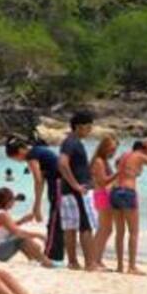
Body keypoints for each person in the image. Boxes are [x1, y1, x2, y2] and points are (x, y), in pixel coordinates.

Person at [110, 139, 147, 275]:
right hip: (128, 192)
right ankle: (132, 267)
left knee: (120, 232)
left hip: (115, 191)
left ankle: (119, 266)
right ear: (145, 148)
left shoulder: (124, 155)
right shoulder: (140, 156)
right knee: (133, 232)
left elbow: (117, 163)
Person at [5, 135, 62, 261]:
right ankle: (58, 253)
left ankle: (50, 255)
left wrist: (36, 206)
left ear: (20, 152)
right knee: (58, 220)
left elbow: (38, 180)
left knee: (54, 221)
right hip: (61, 184)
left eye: (15, 159)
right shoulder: (38, 150)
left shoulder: (31, 156)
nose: (18, 162)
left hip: (58, 184)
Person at [57, 112, 98, 270]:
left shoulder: (69, 142)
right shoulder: (72, 142)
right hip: (76, 191)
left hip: (68, 191)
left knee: (71, 226)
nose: (90, 131)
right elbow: (62, 163)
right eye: (88, 127)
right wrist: (76, 185)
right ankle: (90, 263)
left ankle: (73, 262)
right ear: (79, 127)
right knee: (85, 226)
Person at [0, 187, 54, 267]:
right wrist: (39, 235)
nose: (14, 202)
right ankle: (46, 262)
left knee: (18, 237)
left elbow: (6, 228)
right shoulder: (2, 214)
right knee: (20, 238)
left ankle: (33, 259)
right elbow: (17, 232)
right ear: (7, 201)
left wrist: (22, 220)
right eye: (12, 199)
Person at [86, 134, 119, 272]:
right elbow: (102, 182)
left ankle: (97, 259)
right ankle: (93, 260)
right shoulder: (99, 161)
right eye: (111, 149)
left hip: (103, 195)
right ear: (104, 148)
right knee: (104, 229)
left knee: (106, 229)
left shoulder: (103, 161)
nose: (113, 152)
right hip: (101, 195)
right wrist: (119, 173)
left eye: (115, 150)